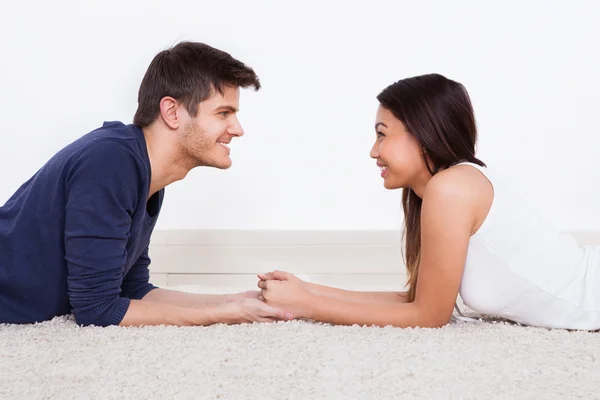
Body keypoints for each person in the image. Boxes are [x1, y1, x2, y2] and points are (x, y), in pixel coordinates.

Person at [258, 73, 600, 331]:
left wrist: (305, 306)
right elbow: (416, 301)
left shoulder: (451, 189)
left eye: (382, 134)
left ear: (422, 134)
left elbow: (428, 317)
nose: (373, 151)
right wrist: (307, 291)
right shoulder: (448, 187)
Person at [0, 41, 293, 327]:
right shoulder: (110, 161)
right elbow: (97, 310)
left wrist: (235, 300)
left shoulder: (144, 173)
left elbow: (133, 290)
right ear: (172, 112)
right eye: (223, 113)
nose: (237, 129)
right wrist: (219, 315)